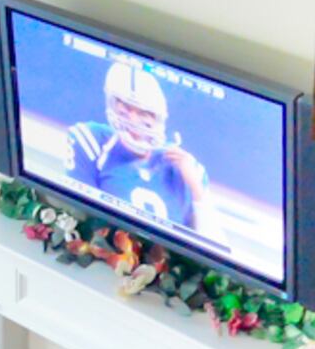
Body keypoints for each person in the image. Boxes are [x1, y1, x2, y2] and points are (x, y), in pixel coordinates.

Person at [63, 55, 207, 236]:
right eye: (125, 112)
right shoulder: (93, 142)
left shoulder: (185, 168)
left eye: (144, 118)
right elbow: (79, 216)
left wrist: (197, 192)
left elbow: (210, 244)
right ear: (113, 109)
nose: (135, 125)